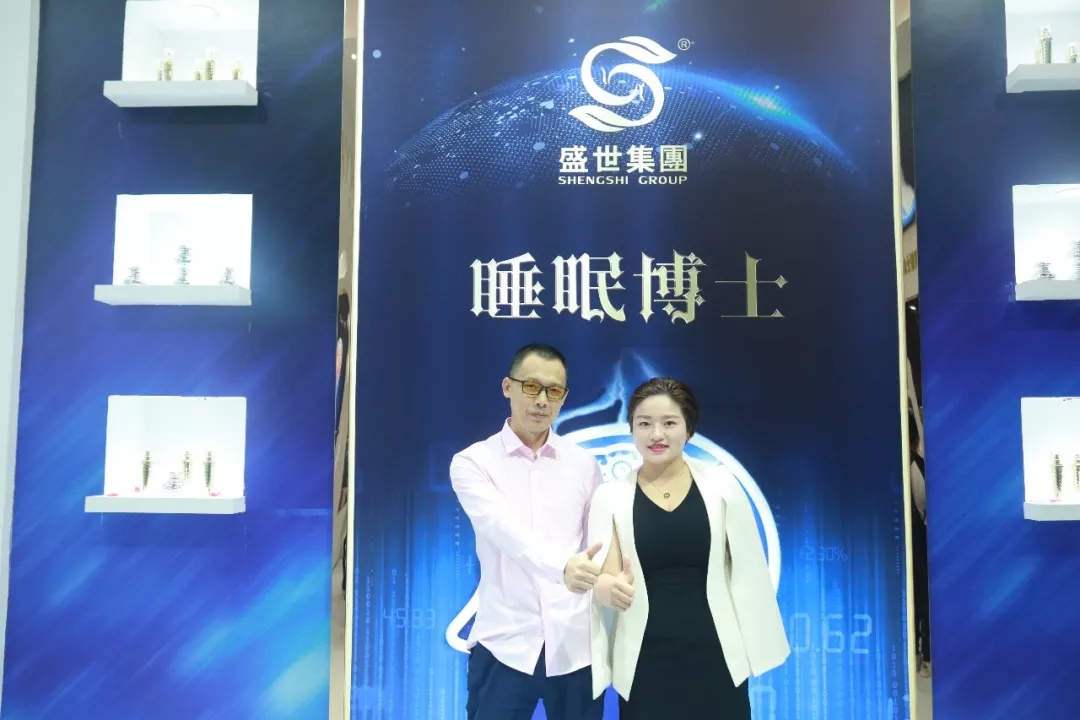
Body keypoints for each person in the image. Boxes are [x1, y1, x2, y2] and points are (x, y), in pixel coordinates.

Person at [587, 377, 790, 718]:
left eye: (669, 423)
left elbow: (748, 571)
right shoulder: (611, 496)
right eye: (644, 423)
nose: (656, 434)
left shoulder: (722, 485)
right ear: (632, 428)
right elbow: (605, 576)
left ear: (689, 429)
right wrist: (607, 587)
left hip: (718, 656)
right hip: (644, 661)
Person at [450, 343, 606, 720]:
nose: (541, 400)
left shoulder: (584, 464)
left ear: (564, 397)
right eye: (531, 386)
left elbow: (598, 544)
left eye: (554, 391)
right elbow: (502, 529)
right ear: (508, 387)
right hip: (505, 641)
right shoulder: (473, 462)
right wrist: (563, 568)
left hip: (574, 645)